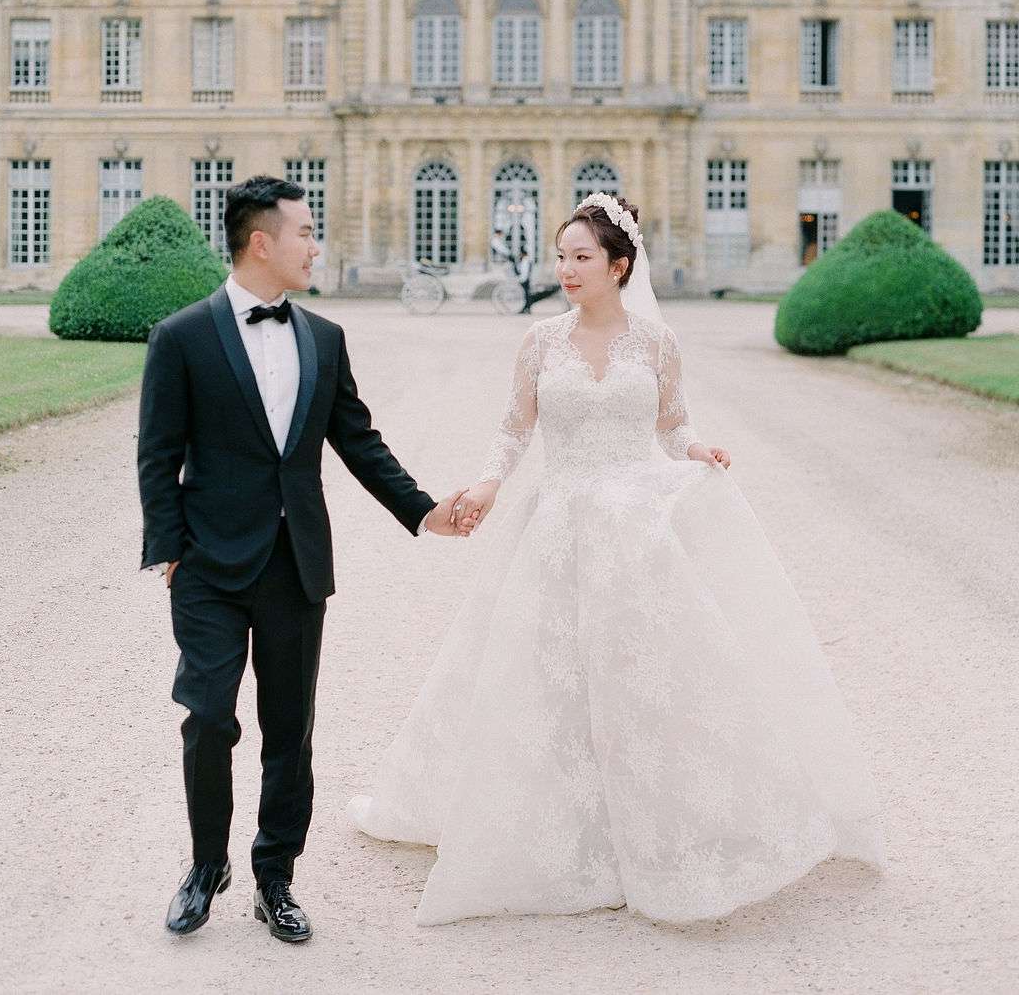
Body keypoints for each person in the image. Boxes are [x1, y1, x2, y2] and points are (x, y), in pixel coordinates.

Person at [347, 193, 888, 926]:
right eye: (561, 256)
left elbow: (672, 424)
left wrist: (697, 449)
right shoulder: (540, 341)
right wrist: (488, 482)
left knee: (646, 678)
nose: (566, 269)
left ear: (619, 266)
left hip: (635, 532)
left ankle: (663, 826)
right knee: (551, 678)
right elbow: (514, 430)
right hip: (560, 526)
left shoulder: (657, 344)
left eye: (581, 258)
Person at [138, 175, 474, 943]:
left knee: (290, 731)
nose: (315, 244)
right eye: (305, 231)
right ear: (263, 242)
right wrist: (168, 552)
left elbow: (358, 441)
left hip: (295, 564)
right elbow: (157, 454)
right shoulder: (181, 336)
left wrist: (424, 512)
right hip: (207, 569)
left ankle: (274, 877)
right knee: (208, 720)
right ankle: (204, 867)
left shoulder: (324, 337)